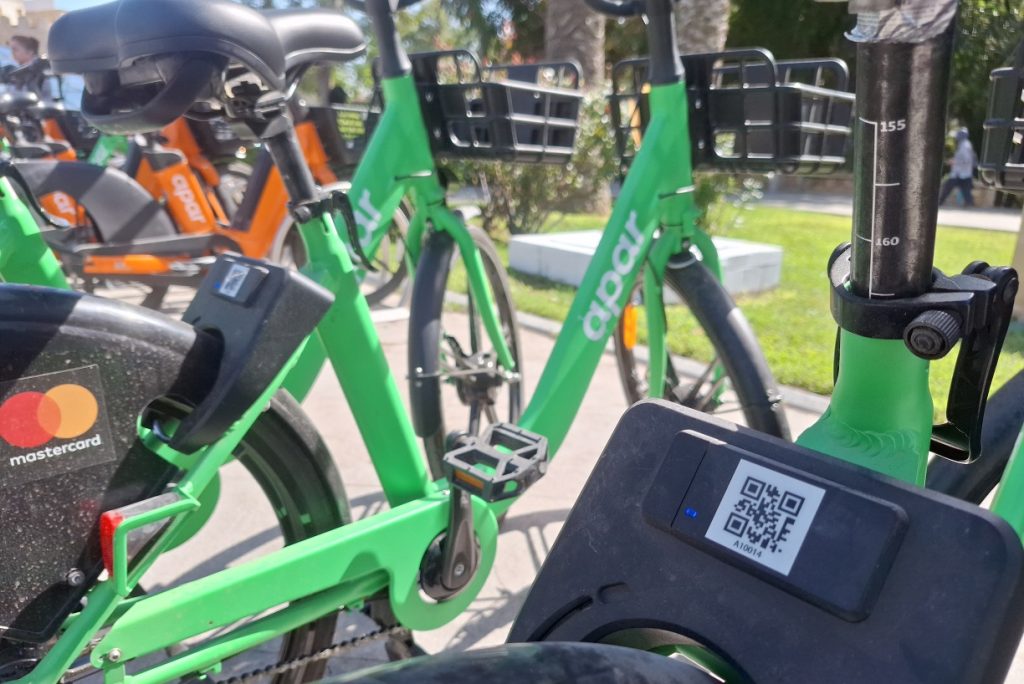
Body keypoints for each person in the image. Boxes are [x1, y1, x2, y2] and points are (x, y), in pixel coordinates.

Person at [937, 127, 977, 207]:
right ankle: (970, 205)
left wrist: (954, 162)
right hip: (964, 173)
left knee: (947, 188)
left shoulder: (965, 146)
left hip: (960, 173)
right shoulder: (965, 144)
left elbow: (966, 159)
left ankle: (939, 203)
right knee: (965, 191)